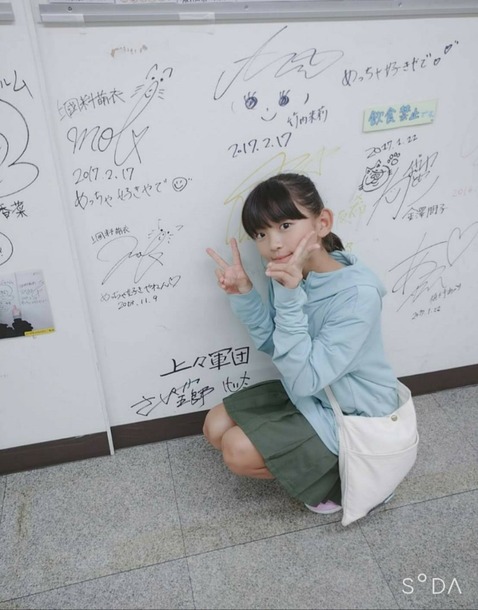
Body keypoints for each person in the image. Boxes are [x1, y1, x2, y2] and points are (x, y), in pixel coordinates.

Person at [204, 173, 399, 514]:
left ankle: (350, 482)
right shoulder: (293, 274)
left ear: (322, 223)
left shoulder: (358, 295)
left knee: (237, 450)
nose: (273, 244)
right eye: (261, 234)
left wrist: (290, 296)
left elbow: (306, 378)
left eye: (285, 225)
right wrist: (245, 294)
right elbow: (275, 344)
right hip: (311, 392)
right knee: (214, 426)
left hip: (353, 414)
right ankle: (316, 463)